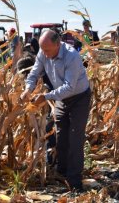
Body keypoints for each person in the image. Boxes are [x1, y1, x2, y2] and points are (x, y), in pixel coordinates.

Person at [20, 30, 91, 191]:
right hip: (61, 98)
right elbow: (34, 73)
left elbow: (69, 87)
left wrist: (45, 97)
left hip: (79, 97)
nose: (44, 54)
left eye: (47, 50)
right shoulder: (43, 52)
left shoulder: (71, 56)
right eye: (42, 50)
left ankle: (74, 182)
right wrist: (28, 89)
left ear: (58, 44)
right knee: (60, 136)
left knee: (75, 138)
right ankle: (61, 173)